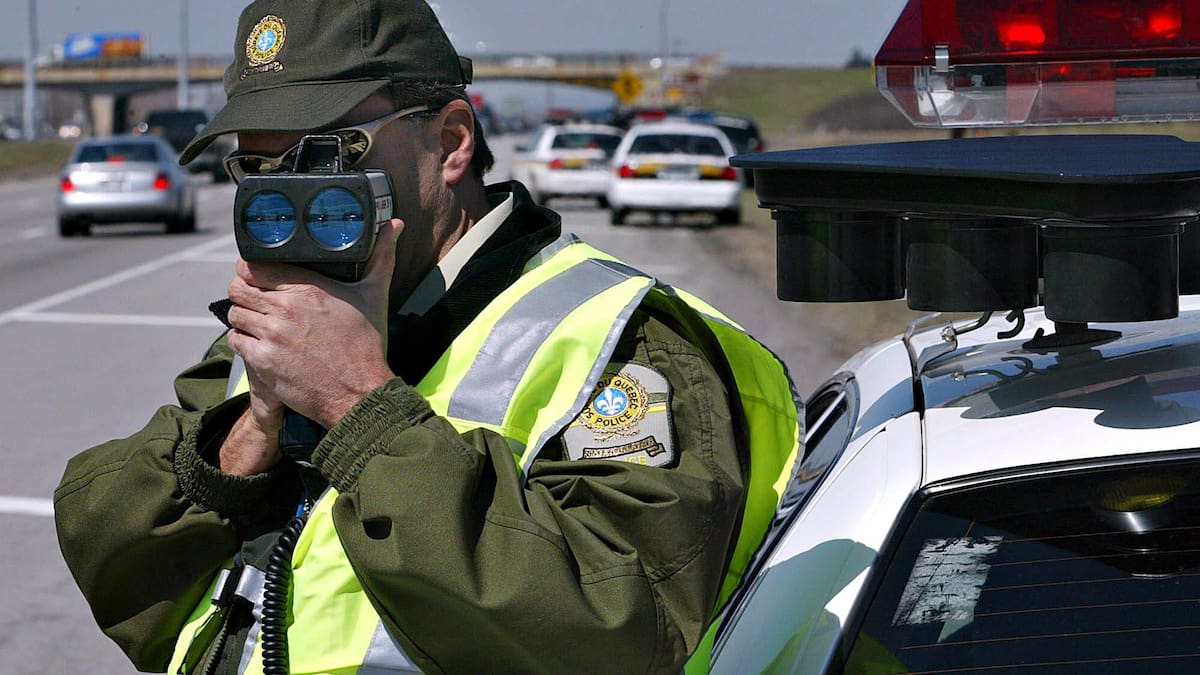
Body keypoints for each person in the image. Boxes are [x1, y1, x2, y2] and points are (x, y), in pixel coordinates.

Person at [54, 1, 803, 673]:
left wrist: (360, 407)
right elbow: (114, 563)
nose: (289, 195)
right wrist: (242, 442)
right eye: (258, 165)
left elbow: (615, 634)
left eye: (329, 154)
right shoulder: (286, 327)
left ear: (450, 142)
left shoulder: (622, 342)